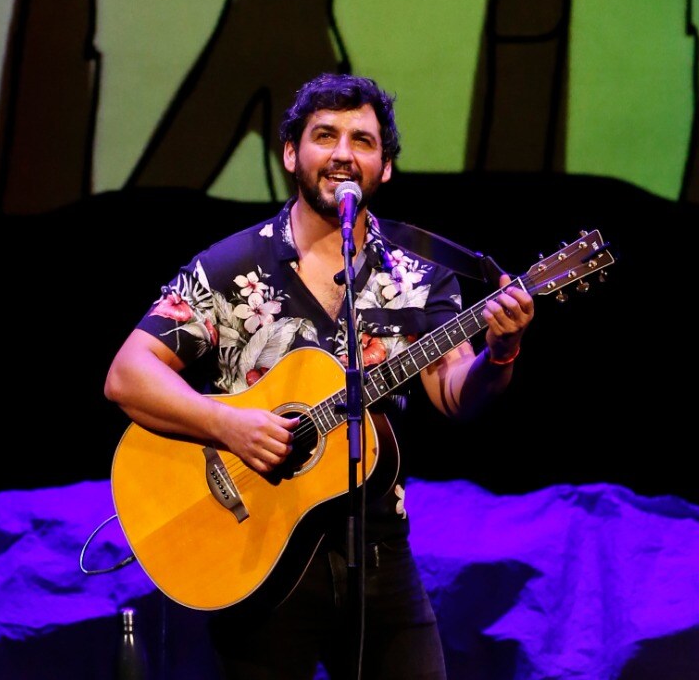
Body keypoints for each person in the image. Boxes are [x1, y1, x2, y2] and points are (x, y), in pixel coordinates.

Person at [103, 72, 535, 680]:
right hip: (259, 553)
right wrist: (228, 423)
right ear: (291, 154)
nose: (341, 153)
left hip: (379, 551)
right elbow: (128, 374)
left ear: (384, 167)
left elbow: (456, 393)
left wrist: (502, 352)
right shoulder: (232, 265)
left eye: (362, 141)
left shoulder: (419, 276)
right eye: (324, 136)